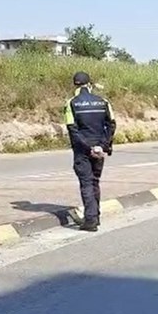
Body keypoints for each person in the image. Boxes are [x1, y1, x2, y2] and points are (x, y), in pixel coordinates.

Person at [63, 71, 116, 232]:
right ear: (89, 84)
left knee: (86, 183)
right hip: (99, 149)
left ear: (75, 85)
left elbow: (73, 129)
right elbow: (111, 125)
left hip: (82, 150)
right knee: (94, 182)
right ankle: (96, 216)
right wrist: (102, 145)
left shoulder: (71, 103)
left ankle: (91, 220)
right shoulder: (103, 101)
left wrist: (88, 147)